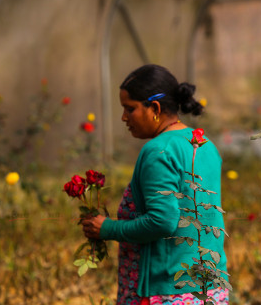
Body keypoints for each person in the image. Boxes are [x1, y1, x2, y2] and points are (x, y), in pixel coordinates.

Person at [81, 64, 228, 305]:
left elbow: (162, 221)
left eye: (130, 109)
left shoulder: (159, 150)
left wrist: (107, 229)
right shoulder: (204, 145)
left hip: (168, 291)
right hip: (210, 288)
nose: (124, 117)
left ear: (155, 108)